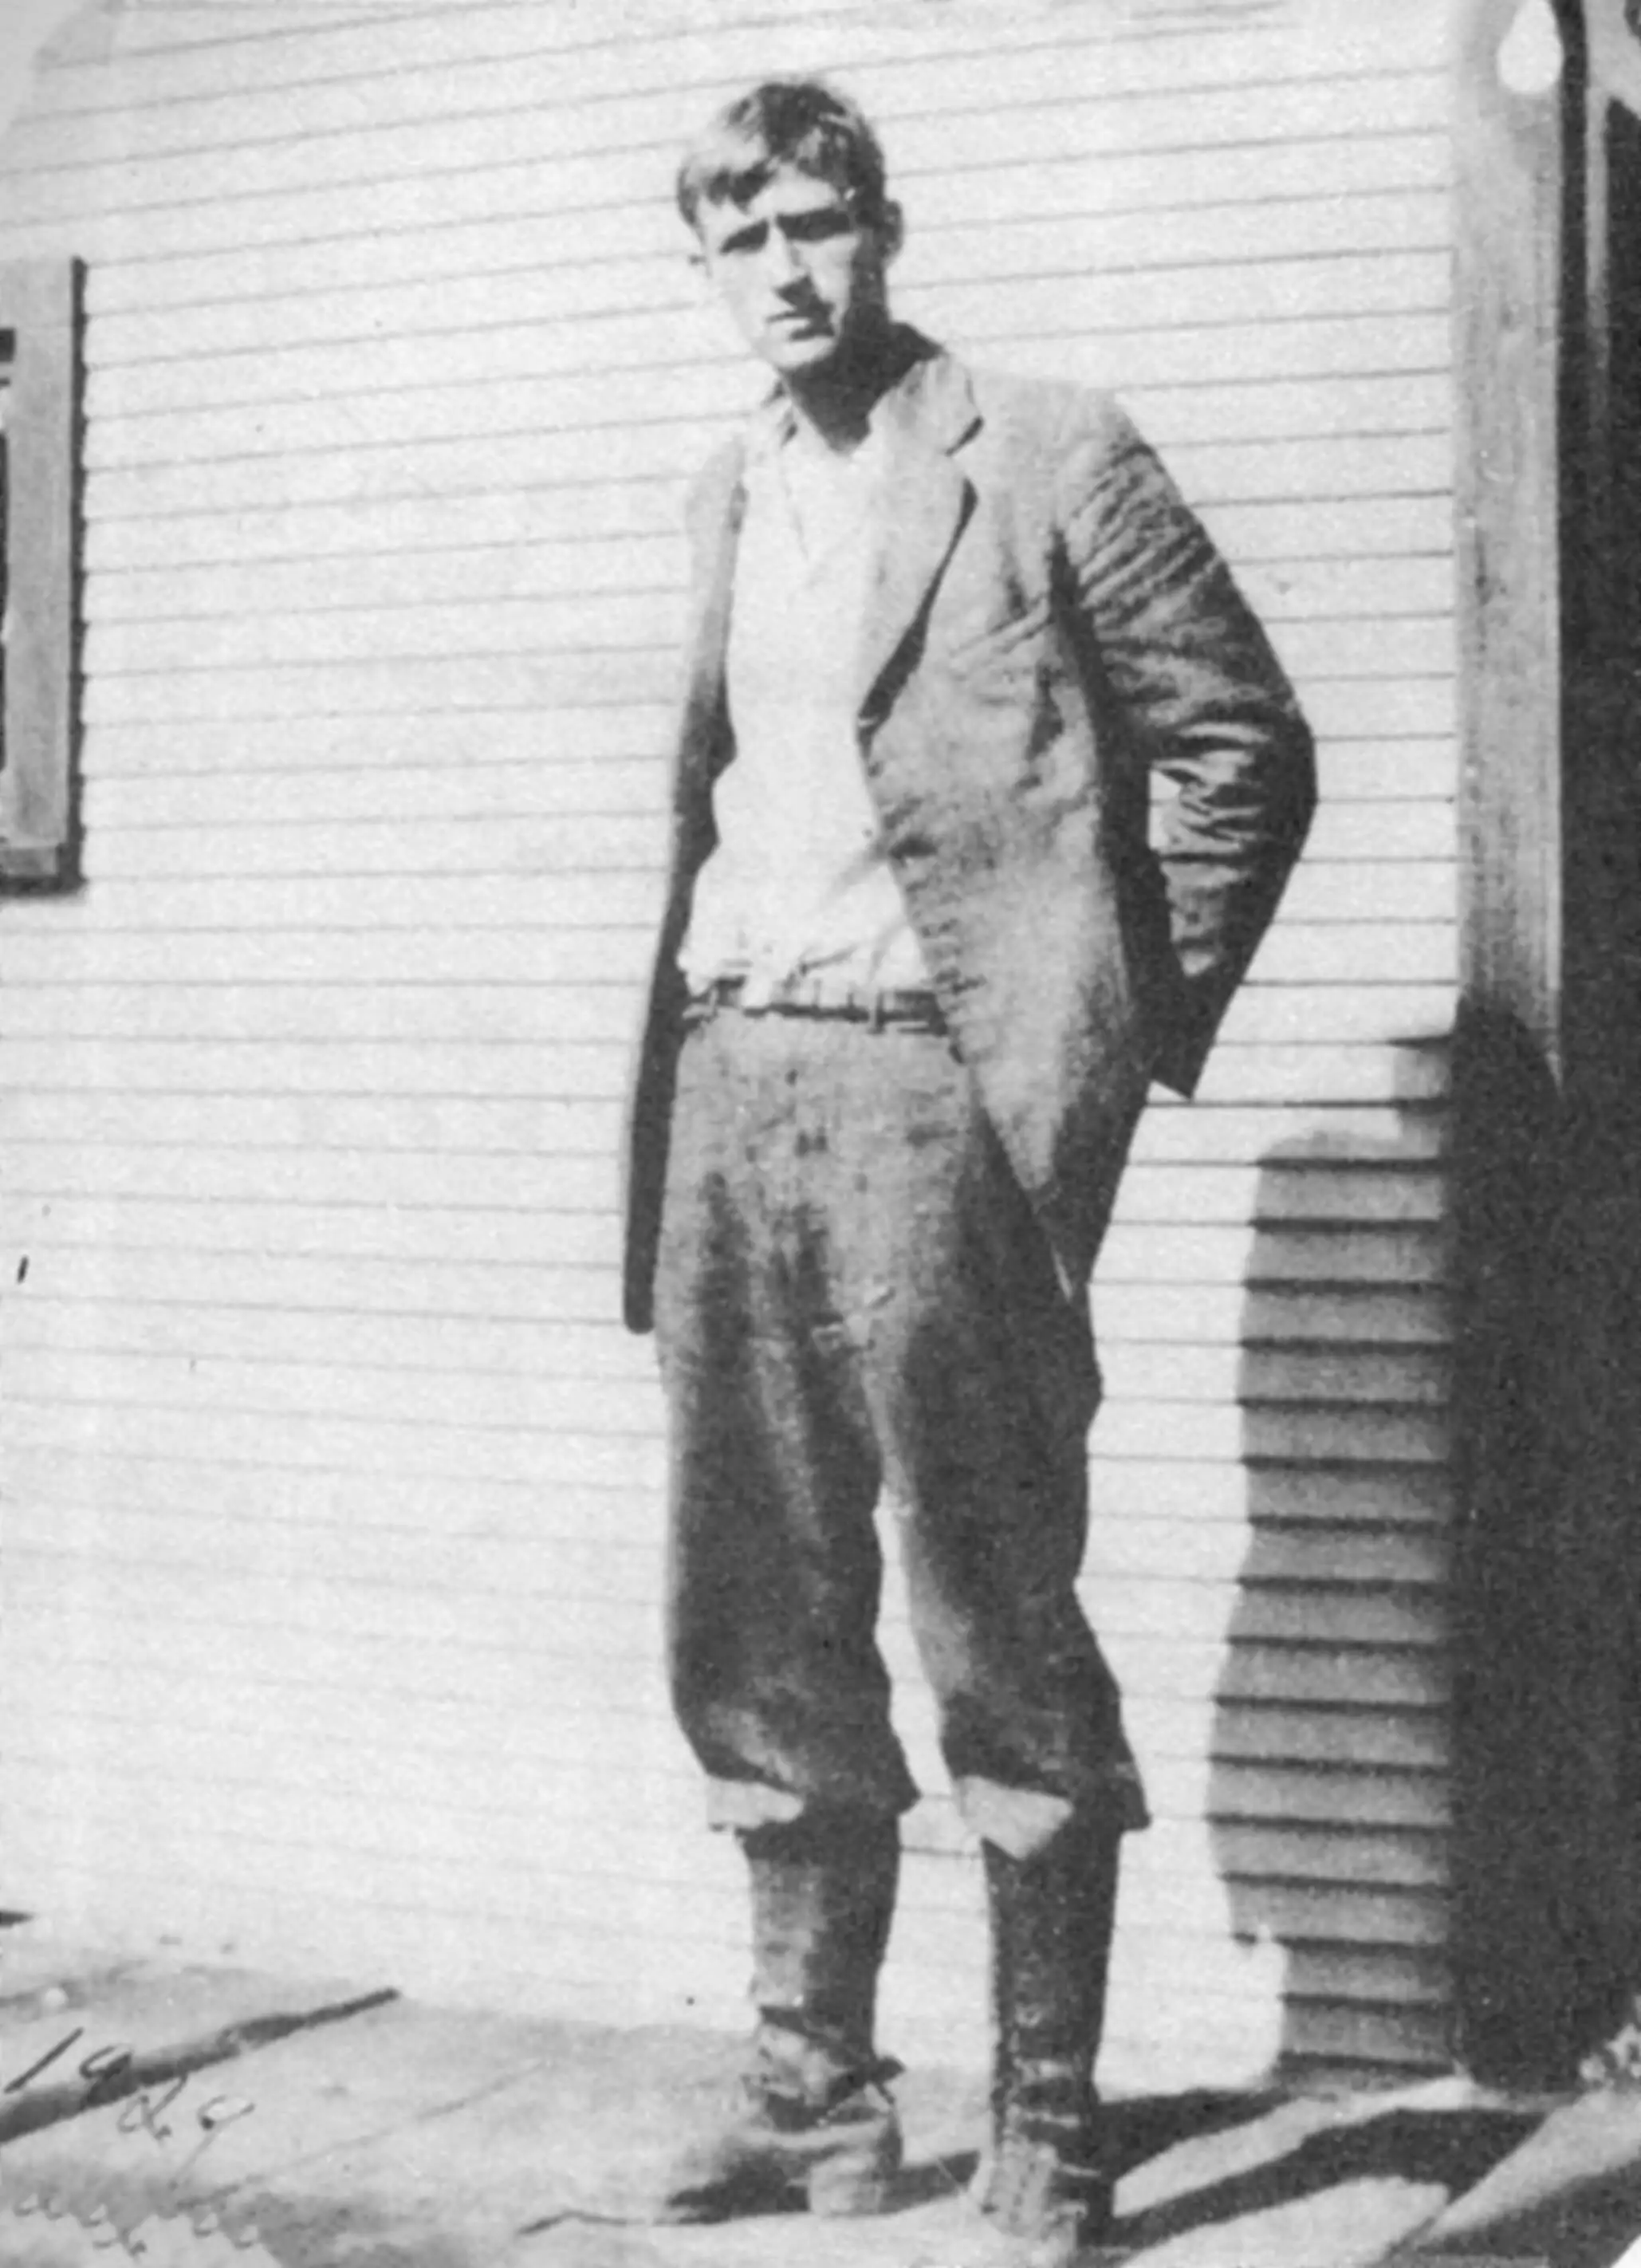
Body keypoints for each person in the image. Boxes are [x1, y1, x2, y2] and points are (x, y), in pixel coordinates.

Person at [620, 75, 1315, 2266]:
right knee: (753, 1609)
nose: (790, 272)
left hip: (943, 1102)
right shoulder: (731, 490)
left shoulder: (1047, 450)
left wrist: (1099, 1041)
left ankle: (1049, 2118)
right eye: (747, 242)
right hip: (739, 1088)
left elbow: (1240, 749)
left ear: (887, 229)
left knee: (995, 1609)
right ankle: (817, 2097)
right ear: (709, 268)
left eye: (822, 226)